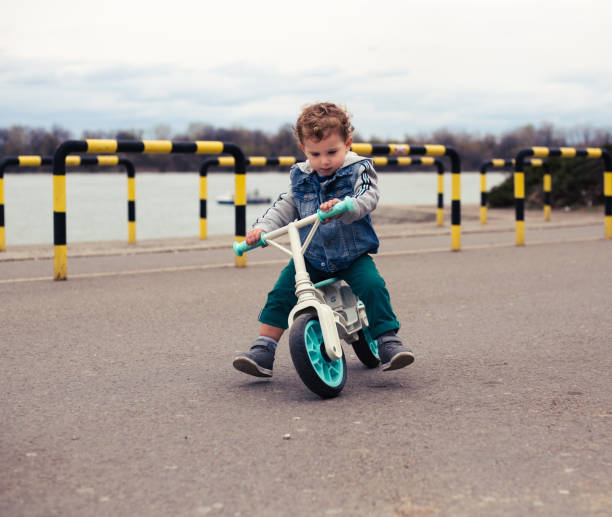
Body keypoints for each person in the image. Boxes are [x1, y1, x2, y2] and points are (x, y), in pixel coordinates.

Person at [232, 102, 414, 377]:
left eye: (332, 152)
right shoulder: (302, 176)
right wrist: (260, 229)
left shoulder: (358, 169)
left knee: (373, 286)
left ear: (348, 144)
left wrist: (346, 206)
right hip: (312, 255)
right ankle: (264, 347)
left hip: (351, 255)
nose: (324, 161)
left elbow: (368, 195)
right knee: (281, 293)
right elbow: (284, 205)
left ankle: (387, 339)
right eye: (315, 154)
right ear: (304, 149)